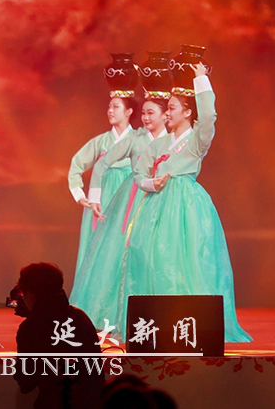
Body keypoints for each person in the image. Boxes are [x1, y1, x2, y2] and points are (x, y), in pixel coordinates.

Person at [122, 63, 251, 342]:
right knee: (155, 260)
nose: (167, 113)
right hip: (155, 208)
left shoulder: (196, 141)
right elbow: (139, 174)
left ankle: (190, 324)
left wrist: (200, 79)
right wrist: (151, 184)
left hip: (187, 207)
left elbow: (209, 117)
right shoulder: (158, 144)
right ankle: (159, 324)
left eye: (172, 108)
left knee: (188, 259)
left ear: (188, 112)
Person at [70, 91, 168, 335]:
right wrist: (91, 196)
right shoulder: (131, 139)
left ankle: (162, 312)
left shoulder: (172, 140)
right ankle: (115, 310)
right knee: (117, 251)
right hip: (127, 197)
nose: (111, 111)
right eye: (144, 113)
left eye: (116, 106)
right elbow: (95, 164)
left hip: (162, 198)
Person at [13, 263, 104, 409]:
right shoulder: (81, 317)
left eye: (23, 293)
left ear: (31, 294)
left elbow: (26, 382)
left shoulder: (32, 326)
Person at [68, 95, 135, 278]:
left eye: (116, 107)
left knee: (124, 244)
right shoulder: (101, 141)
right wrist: (79, 195)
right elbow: (76, 165)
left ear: (129, 111)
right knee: (98, 247)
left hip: (129, 197)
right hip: (102, 198)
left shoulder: (139, 139)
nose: (110, 111)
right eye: (109, 107)